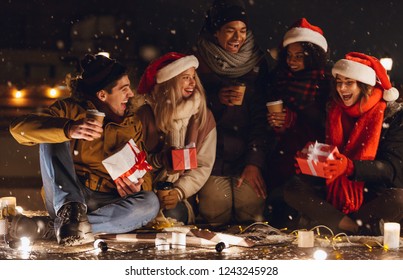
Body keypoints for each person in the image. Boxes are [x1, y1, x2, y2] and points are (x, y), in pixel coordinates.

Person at [9, 54, 159, 246]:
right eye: (124, 89)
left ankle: (57, 228)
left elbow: (144, 171)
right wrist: (69, 129)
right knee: (52, 134)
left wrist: (139, 186)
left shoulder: (132, 123)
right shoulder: (69, 110)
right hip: (68, 195)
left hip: (107, 203)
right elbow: (18, 129)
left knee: (150, 202)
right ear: (102, 95)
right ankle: (69, 215)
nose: (130, 94)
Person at [284, 52, 403, 235]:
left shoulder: (392, 116)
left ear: (365, 86)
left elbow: (392, 169)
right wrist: (309, 164)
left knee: (399, 198)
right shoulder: (332, 110)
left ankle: (330, 221)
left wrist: (350, 167)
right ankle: (355, 227)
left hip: (372, 194)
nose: (342, 88)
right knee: (293, 188)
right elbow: (323, 152)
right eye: (339, 82)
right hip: (332, 191)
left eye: (349, 82)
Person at [193, 0, 271, 225]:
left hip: (246, 153)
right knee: (216, 210)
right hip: (211, 157)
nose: (238, 38)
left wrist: (255, 162)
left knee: (251, 209)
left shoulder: (257, 63)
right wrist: (215, 101)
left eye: (243, 31)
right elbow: (188, 115)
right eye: (230, 30)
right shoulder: (197, 63)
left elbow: (260, 118)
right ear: (215, 32)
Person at [264, 18, 332, 228]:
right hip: (279, 157)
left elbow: (325, 124)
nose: (292, 61)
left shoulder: (324, 83)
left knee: (299, 213)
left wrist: (294, 120)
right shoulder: (277, 78)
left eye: (299, 56)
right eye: (289, 55)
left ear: (312, 56)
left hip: (311, 160)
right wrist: (274, 123)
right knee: (276, 211)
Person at [136, 52, 217, 225]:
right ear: (169, 82)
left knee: (172, 216)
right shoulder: (145, 114)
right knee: (144, 214)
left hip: (181, 195)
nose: (192, 83)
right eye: (185, 77)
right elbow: (133, 162)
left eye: (193, 77)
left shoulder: (202, 116)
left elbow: (203, 165)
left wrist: (179, 191)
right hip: (145, 191)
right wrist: (159, 161)